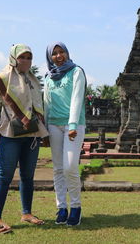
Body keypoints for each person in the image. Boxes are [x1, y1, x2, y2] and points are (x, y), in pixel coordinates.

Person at [0, 44, 48, 234]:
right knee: (4, 176)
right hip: (10, 134)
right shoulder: (3, 78)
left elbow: (39, 106)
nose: (27, 61)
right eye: (23, 57)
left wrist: (44, 133)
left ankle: (27, 213)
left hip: (31, 135)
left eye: (30, 57)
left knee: (28, 177)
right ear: (14, 58)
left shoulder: (33, 80)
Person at [43, 41, 86, 226]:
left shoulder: (76, 71)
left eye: (62, 52)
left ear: (67, 53)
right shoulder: (48, 77)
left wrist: (73, 123)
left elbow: (77, 98)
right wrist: (44, 129)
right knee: (58, 168)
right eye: (55, 53)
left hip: (73, 125)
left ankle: (76, 207)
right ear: (49, 57)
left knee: (70, 167)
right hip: (53, 125)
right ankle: (61, 207)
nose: (59, 56)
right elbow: (46, 104)